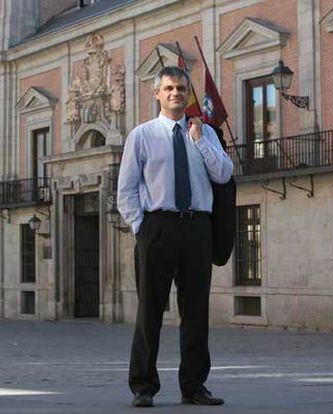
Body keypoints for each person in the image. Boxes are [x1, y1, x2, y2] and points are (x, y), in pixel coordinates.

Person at [117, 66, 233, 407]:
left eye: (181, 88)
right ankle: (143, 386)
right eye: (168, 88)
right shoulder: (141, 136)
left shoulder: (206, 133)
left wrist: (198, 139)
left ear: (188, 93)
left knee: (196, 311)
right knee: (149, 310)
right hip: (158, 227)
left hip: (198, 228)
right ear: (157, 93)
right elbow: (126, 190)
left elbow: (223, 173)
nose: (175, 94)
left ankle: (194, 386)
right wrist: (142, 227)